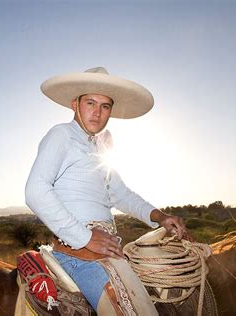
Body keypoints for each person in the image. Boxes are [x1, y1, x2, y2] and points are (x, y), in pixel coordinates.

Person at [25, 66, 190, 312]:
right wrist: (86, 237)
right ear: (75, 104)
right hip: (77, 253)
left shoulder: (101, 147)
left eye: (105, 106)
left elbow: (120, 194)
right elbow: (35, 190)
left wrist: (160, 217)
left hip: (106, 250)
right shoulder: (61, 135)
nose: (97, 113)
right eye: (90, 103)